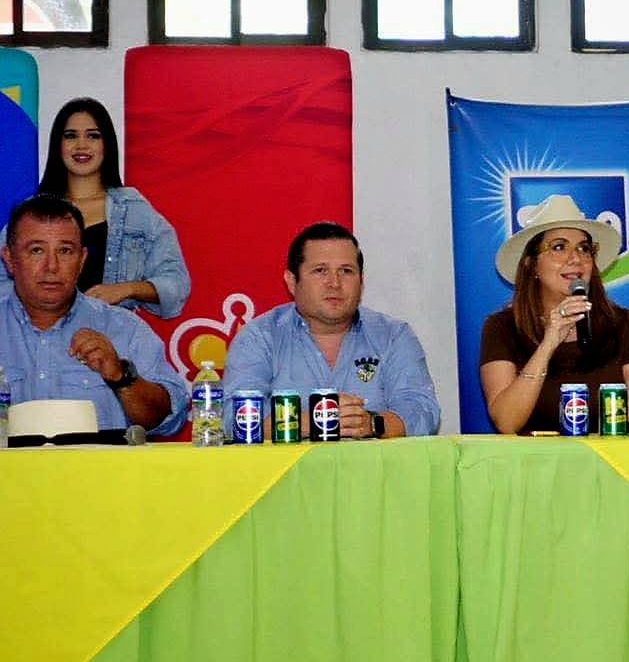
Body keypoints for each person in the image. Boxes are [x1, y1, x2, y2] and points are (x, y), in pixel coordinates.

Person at [222, 222, 440, 437]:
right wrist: (314, 421)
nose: (334, 283)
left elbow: (423, 412)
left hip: (371, 461)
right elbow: (233, 419)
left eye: (346, 271)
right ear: (292, 281)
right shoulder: (259, 338)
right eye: (320, 271)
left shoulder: (393, 335)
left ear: (361, 281)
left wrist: (372, 423)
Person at [0, 195, 188, 434]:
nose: (51, 266)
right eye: (36, 250)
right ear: (9, 259)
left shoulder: (125, 328)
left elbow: (169, 420)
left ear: (81, 260)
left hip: (101, 461)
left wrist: (121, 377)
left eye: (65, 251)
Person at [480, 194, 629, 434]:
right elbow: (507, 422)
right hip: (535, 457)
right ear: (531, 264)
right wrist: (549, 343)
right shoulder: (502, 327)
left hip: (609, 456)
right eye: (559, 247)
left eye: (584, 249)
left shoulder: (623, 324)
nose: (576, 259)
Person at [0, 97, 191, 318]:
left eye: (93, 136)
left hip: (111, 334)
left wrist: (126, 289)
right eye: (71, 136)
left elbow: (176, 284)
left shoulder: (133, 209)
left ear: (106, 144)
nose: (81, 145)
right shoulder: (31, 213)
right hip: (39, 335)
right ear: (57, 145)